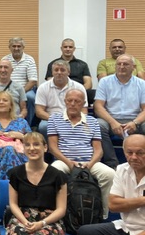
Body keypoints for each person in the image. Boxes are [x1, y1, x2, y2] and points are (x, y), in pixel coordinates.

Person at [47, 88, 115, 218]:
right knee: (54, 171)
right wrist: (68, 162)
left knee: (109, 174)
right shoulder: (54, 119)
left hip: (89, 161)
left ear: (83, 103)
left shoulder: (93, 121)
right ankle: (59, 214)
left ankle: (103, 215)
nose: (72, 104)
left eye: (77, 101)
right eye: (70, 100)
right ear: (65, 101)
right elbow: (53, 148)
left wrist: (90, 164)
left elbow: (99, 150)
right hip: (64, 161)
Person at [93, 54, 145, 169]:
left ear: (133, 67)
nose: (121, 67)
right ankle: (112, 164)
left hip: (134, 120)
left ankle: (142, 161)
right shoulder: (104, 82)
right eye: (119, 64)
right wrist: (112, 122)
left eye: (125, 64)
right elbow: (98, 106)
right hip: (110, 119)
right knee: (98, 125)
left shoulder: (142, 84)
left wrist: (135, 122)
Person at [35, 60, 87, 139]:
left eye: (62, 70)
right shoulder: (43, 87)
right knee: (43, 126)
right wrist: (57, 120)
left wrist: (71, 120)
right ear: (52, 72)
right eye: (56, 70)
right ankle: (50, 147)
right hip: (50, 118)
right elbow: (39, 111)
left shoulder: (79, 87)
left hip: (74, 117)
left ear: (68, 72)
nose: (59, 72)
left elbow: (84, 110)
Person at [3, 37, 38, 125]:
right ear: (9, 47)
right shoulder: (5, 60)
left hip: (26, 90)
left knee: (30, 97)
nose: (16, 48)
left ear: (23, 47)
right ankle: (5, 123)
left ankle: (27, 124)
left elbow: (33, 80)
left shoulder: (29, 60)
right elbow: (1, 78)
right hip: (8, 89)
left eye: (19, 46)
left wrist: (20, 92)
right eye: (14, 46)